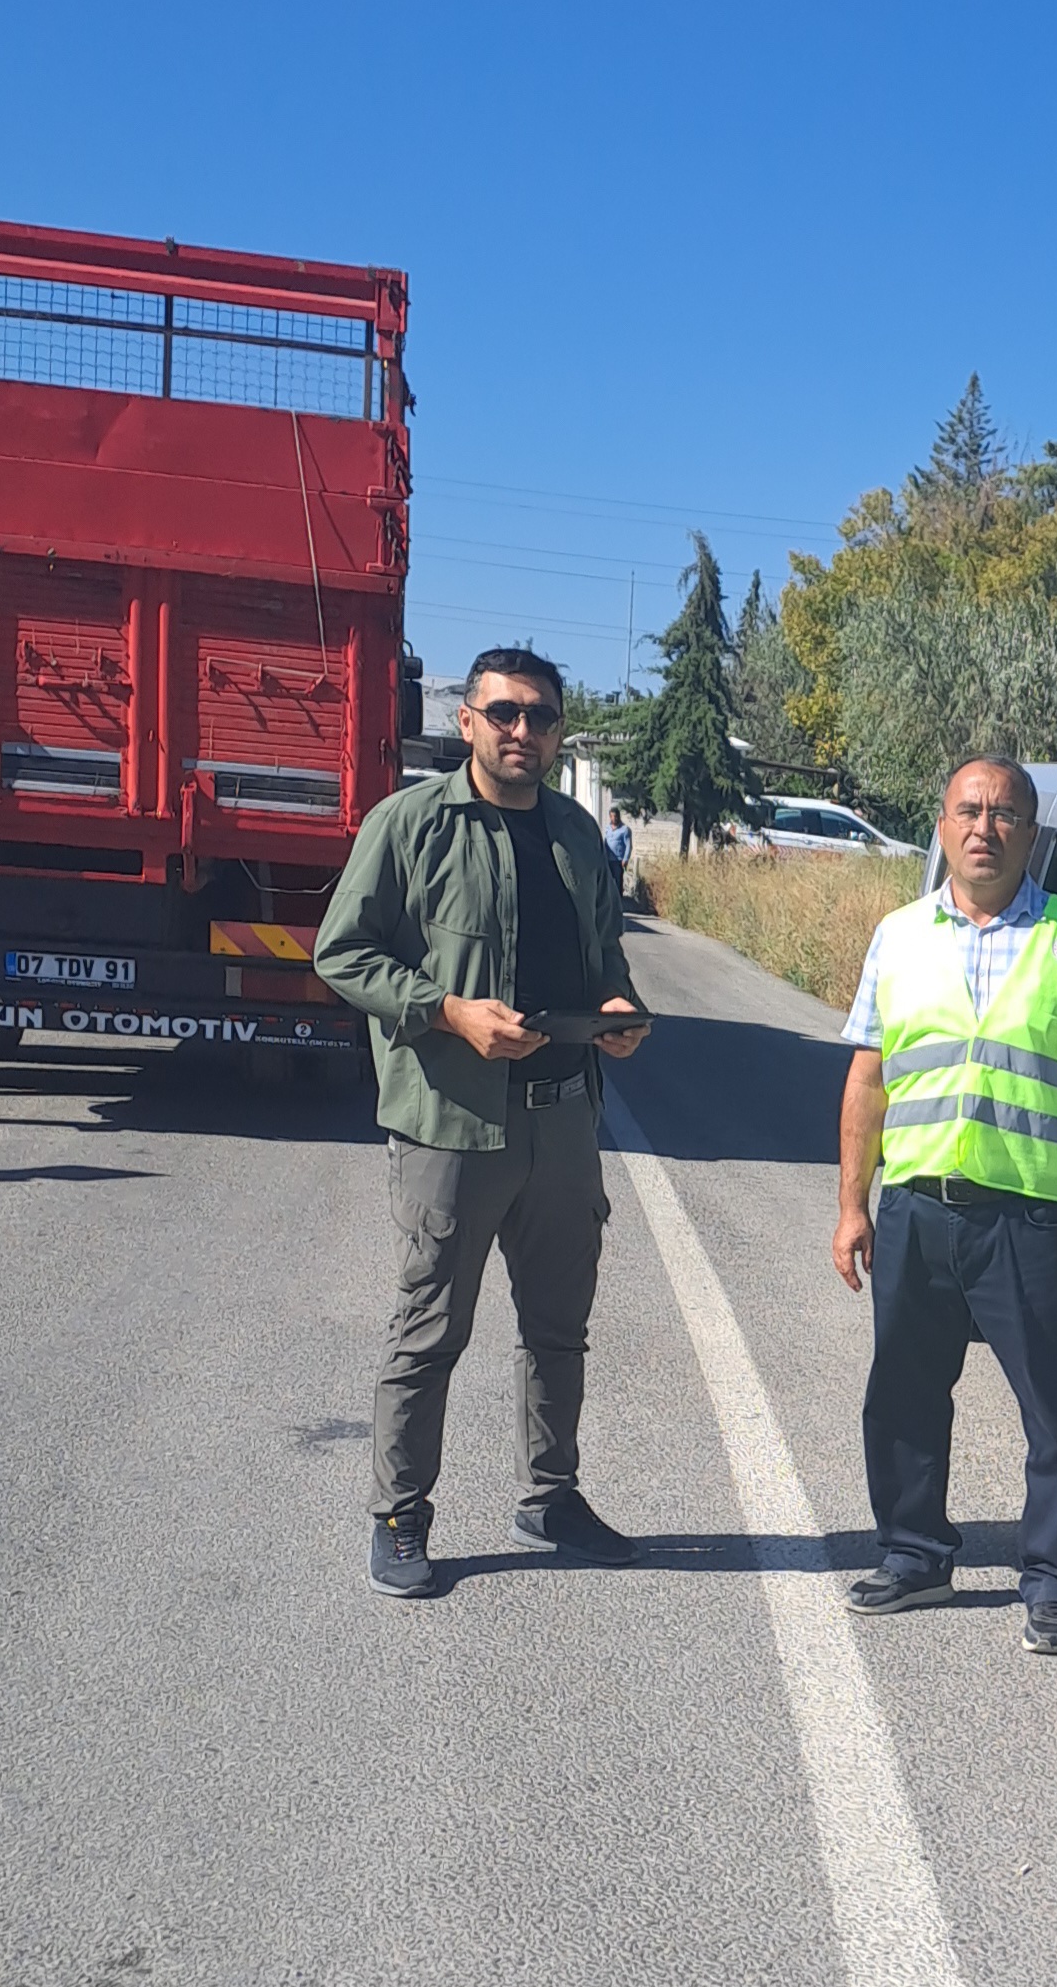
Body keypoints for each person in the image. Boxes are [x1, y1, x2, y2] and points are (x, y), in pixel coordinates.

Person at [316, 645, 651, 1599]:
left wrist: (618, 1012)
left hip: (563, 1123)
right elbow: (342, 955)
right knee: (430, 1327)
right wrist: (446, 1011)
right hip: (451, 1123)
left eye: (541, 717)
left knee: (558, 1328)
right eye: (504, 713)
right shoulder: (410, 825)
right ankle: (399, 1513)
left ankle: (551, 1496)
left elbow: (603, 962)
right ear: (466, 720)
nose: (522, 732)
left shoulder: (579, 838)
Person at [830, 754, 1057, 1656]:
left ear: (1031, 835)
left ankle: (1050, 1580)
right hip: (918, 1209)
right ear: (941, 826)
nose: (984, 827)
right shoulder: (897, 935)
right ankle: (915, 1556)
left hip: (1033, 1216)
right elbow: (868, 1078)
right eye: (968, 809)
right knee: (903, 1392)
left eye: (1005, 813)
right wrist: (852, 1204)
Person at [604, 806, 634, 895]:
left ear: (619, 816)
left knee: (618, 880)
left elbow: (628, 845)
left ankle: (619, 900)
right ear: (610, 817)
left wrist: (625, 859)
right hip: (608, 859)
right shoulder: (608, 828)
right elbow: (605, 842)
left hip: (618, 860)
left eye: (616, 816)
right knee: (609, 880)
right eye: (612, 816)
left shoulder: (624, 830)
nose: (614, 818)